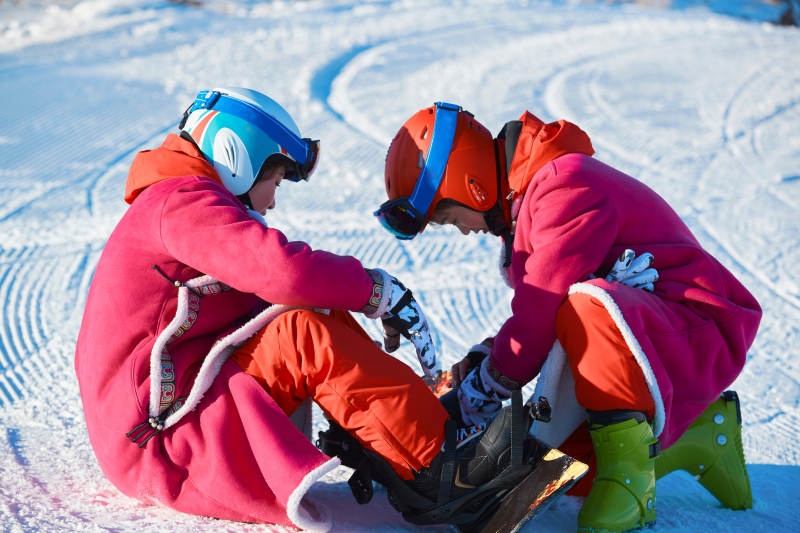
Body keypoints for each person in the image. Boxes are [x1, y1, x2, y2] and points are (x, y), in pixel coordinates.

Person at [76, 87, 605, 533]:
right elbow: (283, 272)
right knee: (301, 331)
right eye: (273, 181)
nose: (271, 201)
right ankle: (446, 474)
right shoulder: (180, 201)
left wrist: (357, 300)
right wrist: (376, 291)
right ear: (237, 156)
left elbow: (284, 285)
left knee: (314, 313)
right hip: (162, 442)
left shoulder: (176, 204)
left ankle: (412, 446)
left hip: (173, 423)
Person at [375, 102, 762, 532]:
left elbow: (542, 312)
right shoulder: (535, 201)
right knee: (562, 467)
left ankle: (630, 477)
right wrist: (490, 356)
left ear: (472, 186)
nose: (463, 230)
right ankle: (701, 432)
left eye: (449, 218)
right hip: (656, 331)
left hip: (700, 324)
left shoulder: (564, 184)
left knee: (584, 304)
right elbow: (541, 316)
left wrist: (486, 385)